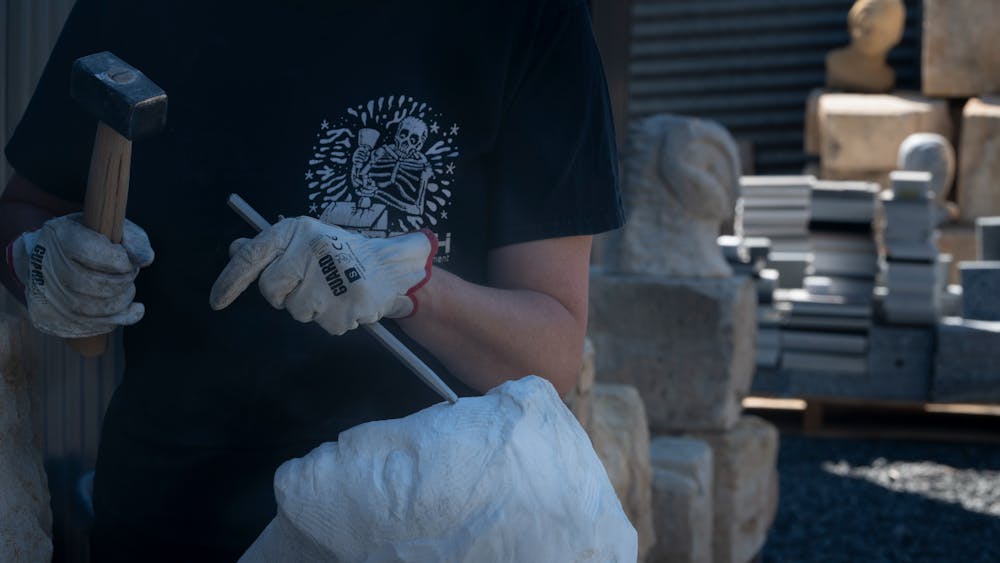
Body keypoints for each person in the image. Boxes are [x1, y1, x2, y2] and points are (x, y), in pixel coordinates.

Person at [0, 0, 623, 560]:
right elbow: (25, 209)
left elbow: (551, 348)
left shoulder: (529, 16)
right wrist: (40, 266)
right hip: (168, 512)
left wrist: (408, 284)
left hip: (422, 526)